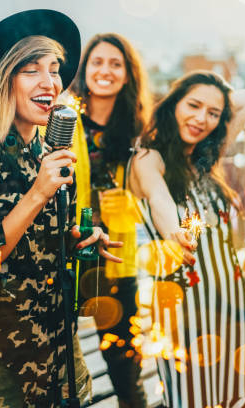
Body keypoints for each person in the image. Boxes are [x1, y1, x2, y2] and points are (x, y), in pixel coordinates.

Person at [0, 10, 123, 408]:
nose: (49, 82)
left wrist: (76, 240)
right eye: (31, 70)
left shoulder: (52, 152)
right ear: (3, 79)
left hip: (56, 342)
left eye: (55, 70)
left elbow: (39, 242)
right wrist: (37, 193)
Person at [129, 70, 245, 408]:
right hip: (183, 307)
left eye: (213, 113)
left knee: (232, 394)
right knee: (192, 397)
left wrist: (214, 98)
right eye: (193, 105)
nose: (202, 119)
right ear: (173, 104)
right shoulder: (147, 159)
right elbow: (160, 201)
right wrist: (178, 234)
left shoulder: (204, 159)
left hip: (230, 302)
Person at [69, 33, 152, 408]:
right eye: (97, 62)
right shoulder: (61, 119)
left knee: (125, 368)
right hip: (64, 253)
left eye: (115, 64)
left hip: (117, 258)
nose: (105, 70)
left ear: (127, 74)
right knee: (57, 366)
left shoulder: (139, 131)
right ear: (84, 69)